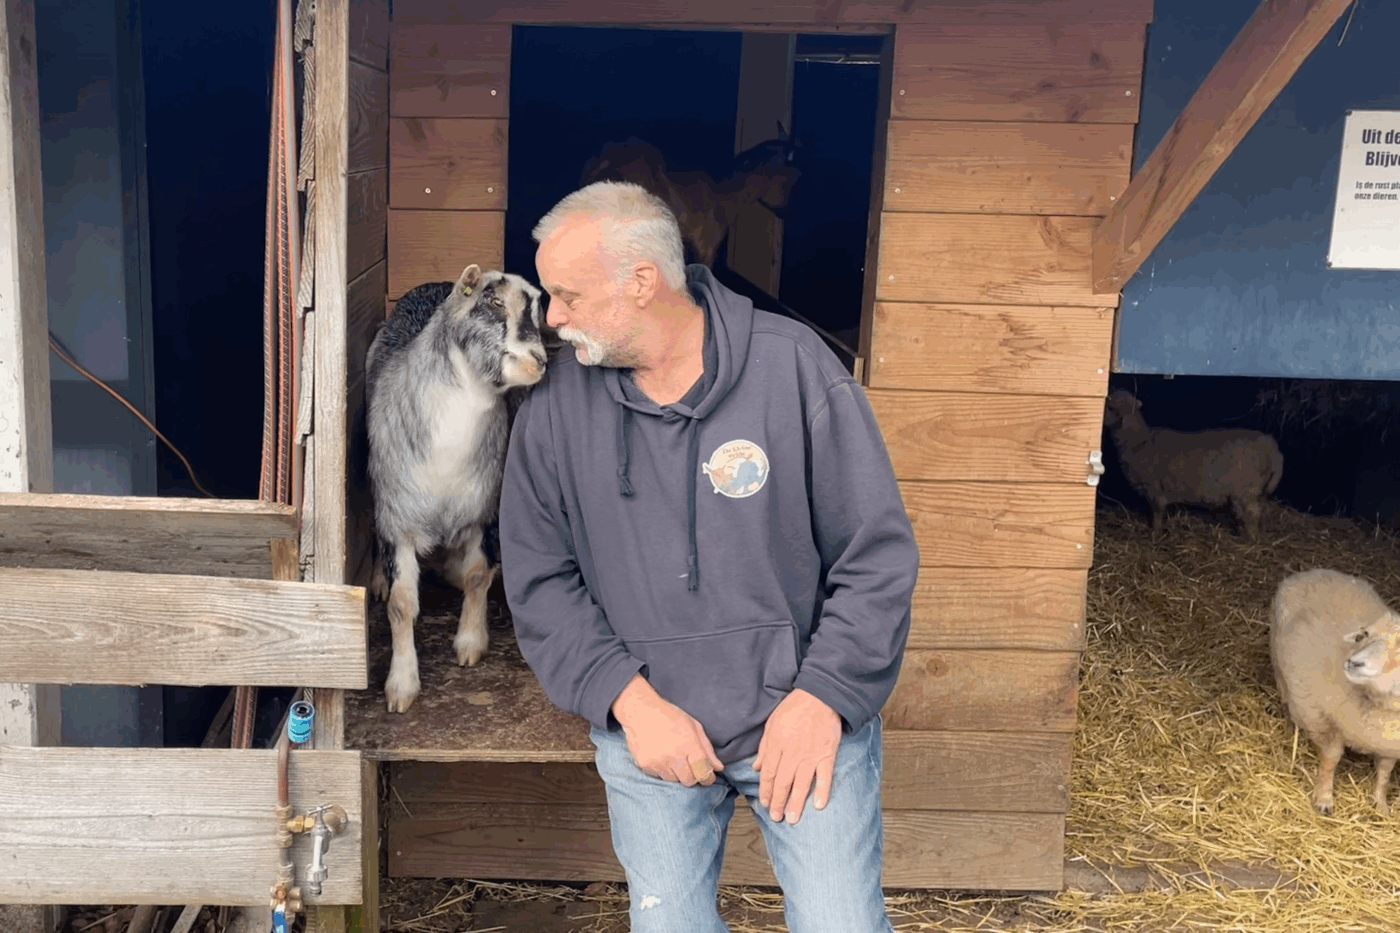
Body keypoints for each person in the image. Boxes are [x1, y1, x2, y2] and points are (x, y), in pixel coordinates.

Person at [497, 180, 920, 933]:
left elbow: (876, 558)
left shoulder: (793, 370)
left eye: (567, 296)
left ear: (641, 282)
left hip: (798, 712)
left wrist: (823, 697)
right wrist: (631, 702)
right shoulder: (557, 408)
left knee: (841, 925)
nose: (551, 320)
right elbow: (539, 579)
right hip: (652, 722)